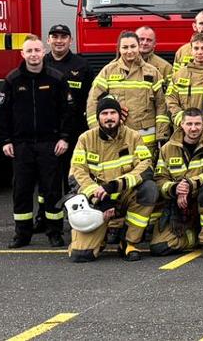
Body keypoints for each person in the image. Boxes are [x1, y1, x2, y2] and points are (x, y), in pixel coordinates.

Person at [0, 36, 75, 248]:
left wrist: (64, 138)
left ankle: (54, 232)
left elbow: (67, 112)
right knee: (21, 190)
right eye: (29, 51)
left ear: (43, 51)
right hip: (21, 146)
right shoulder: (12, 80)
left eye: (37, 50)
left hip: (50, 144)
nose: (33, 55)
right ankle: (22, 234)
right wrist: (5, 140)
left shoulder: (56, 78)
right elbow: (3, 114)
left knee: (52, 191)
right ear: (22, 54)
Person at [68, 96, 159, 262]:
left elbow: (146, 167)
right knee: (81, 256)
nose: (109, 117)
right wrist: (99, 197)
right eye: (104, 113)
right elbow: (76, 173)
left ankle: (129, 241)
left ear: (119, 115)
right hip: (98, 201)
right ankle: (98, 238)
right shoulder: (85, 139)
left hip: (124, 194)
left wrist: (114, 186)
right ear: (98, 117)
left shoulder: (133, 137)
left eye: (113, 113)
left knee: (149, 188)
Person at [150, 108, 203, 257]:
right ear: (181, 125)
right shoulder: (167, 148)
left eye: (197, 124)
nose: (193, 128)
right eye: (189, 124)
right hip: (179, 205)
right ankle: (193, 236)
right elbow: (160, 179)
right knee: (159, 247)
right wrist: (175, 188)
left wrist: (191, 184)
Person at [87, 31, 166, 149]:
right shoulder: (108, 71)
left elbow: (162, 106)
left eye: (133, 46)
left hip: (147, 141)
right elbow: (93, 102)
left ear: (139, 47)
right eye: (125, 47)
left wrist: (162, 135)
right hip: (116, 139)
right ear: (119, 49)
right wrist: (97, 131)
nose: (129, 51)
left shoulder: (152, 72)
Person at [160, 34, 203, 143]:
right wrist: (183, 121)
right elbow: (170, 100)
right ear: (191, 51)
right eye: (196, 48)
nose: (199, 52)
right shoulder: (179, 75)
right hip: (183, 132)